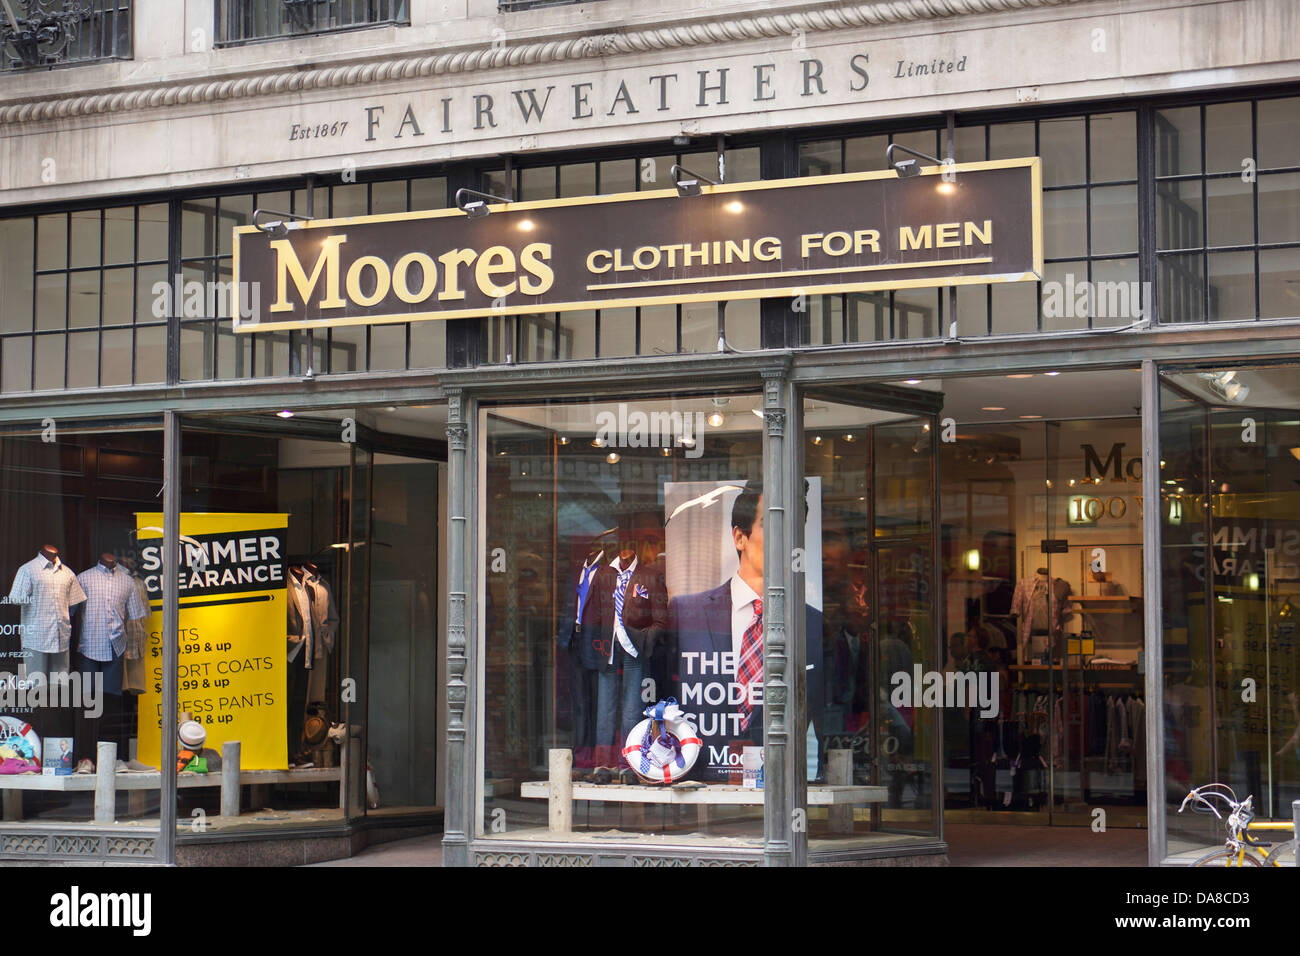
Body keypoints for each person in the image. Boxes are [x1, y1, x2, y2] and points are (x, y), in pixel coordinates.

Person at [669, 482, 766, 781]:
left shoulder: (810, 623)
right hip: (700, 773)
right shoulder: (687, 613)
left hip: (783, 781)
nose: (787, 540)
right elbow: (666, 694)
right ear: (740, 537)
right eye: (772, 524)